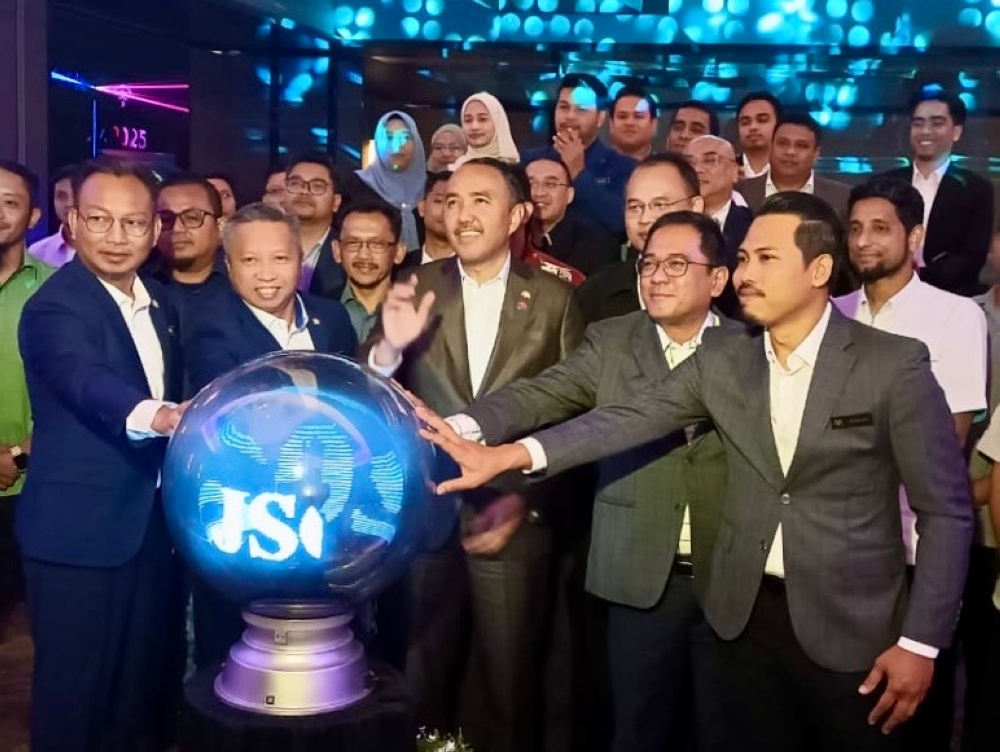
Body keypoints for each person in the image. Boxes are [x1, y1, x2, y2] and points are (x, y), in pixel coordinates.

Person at [418, 191, 974, 752]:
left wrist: (921, 642)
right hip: (743, 622)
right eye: (745, 258)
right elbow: (626, 418)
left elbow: (946, 512)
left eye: (766, 259)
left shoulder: (893, 364)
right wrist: (507, 454)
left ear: (819, 270)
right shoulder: (725, 358)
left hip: (852, 631)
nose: (746, 274)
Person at [427, 210, 736, 751]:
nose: (657, 277)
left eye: (676, 265)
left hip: (730, 578)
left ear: (717, 279)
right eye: (649, 264)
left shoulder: (749, 348)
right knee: (636, 731)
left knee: (725, 732)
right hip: (640, 576)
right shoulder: (611, 340)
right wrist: (461, 427)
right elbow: (538, 394)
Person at [368, 156, 584, 752]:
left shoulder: (555, 299)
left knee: (508, 684)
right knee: (417, 674)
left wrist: (529, 503)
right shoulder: (416, 285)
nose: (461, 214)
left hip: (511, 516)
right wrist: (389, 349)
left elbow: (575, 416)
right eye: (453, 200)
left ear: (517, 215)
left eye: (480, 201)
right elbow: (367, 390)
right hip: (427, 513)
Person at [18, 158, 188, 751]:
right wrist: (158, 415)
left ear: (154, 229)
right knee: (75, 701)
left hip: (151, 530)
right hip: (77, 537)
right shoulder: (55, 306)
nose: (117, 237)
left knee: (139, 696)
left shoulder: (160, 302)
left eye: (133, 223)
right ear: (72, 223)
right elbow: (84, 379)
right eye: (99, 219)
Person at [834, 176, 988, 751]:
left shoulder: (954, 317)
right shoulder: (831, 312)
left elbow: (947, 442)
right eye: (854, 228)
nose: (863, 241)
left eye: (880, 228)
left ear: (915, 236)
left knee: (913, 716)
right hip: (835, 547)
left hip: (915, 550)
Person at [183, 202, 357, 668]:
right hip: (246, 517)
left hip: (329, 510)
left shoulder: (330, 318)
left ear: (300, 260)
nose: (266, 274)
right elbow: (244, 411)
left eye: (280, 258)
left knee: (325, 642)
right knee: (236, 652)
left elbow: (355, 401)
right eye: (250, 260)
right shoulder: (208, 325)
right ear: (229, 265)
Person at [0, 160, 53, 640]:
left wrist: (18, 455)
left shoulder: (59, 289)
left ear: (33, 216)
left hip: (33, 483)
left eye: (9, 202)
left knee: (38, 629)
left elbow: (71, 394)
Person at [878, 86, 994, 296]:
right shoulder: (883, 184)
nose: (925, 131)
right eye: (918, 123)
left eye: (937, 123)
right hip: (886, 292)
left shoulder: (976, 189)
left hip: (952, 297)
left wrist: (916, 281)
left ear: (956, 132)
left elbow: (973, 256)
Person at [577, 153, 704, 324]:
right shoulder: (594, 293)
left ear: (695, 207)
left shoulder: (727, 290)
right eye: (635, 207)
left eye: (659, 205)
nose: (644, 219)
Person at [523, 73, 636, 239]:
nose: (570, 116)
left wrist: (579, 174)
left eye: (581, 109)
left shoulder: (623, 167)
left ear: (600, 118)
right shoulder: (529, 161)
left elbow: (622, 222)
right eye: (563, 107)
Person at [339, 111, 426, 253]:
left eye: (405, 137)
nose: (398, 145)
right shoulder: (355, 185)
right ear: (378, 142)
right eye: (389, 137)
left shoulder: (431, 188)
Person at [738, 112, 851, 221]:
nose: (790, 152)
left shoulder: (842, 198)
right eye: (782, 143)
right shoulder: (740, 192)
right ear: (771, 146)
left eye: (801, 146)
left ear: (816, 153)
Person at [526, 156, 619, 276]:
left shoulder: (599, 247)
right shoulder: (509, 239)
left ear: (569, 195)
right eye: (530, 184)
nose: (539, 193)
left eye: (550, 184)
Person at [334, 202, 407, 342]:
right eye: (353, 243)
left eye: (376, 244)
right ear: (337, 251)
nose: (364, 255)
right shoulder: (317, 311)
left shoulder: (418, 312)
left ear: (399, 252)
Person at [283, 152, 344, 298]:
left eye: (317, 186)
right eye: (296, 184)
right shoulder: (260, 244)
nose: (304, 191)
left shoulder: (347, 253)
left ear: (336, 202)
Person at [28, 164, 76, 268]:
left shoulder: (108, 249)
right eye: (61, 196)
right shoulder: (38, 252)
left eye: (76, 195)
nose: (69, 203)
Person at [454, 92, 520, 167]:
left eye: (482, 119)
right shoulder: (456, 168)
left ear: (497, 122)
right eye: (468, 120)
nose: (474, 127)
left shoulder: (513, 169)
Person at [735, 91, 782, 179]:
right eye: (745, 122)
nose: (753, 127)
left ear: (779, 125)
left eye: (762, 120)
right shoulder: (724, 170)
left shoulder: (793, 170)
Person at [608, 86, 658, 161]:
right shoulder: (592, 165)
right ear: (611, 124)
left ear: (653, 124)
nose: (629, 122)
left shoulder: (666, 167)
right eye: (622, 116)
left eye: (638, 116)